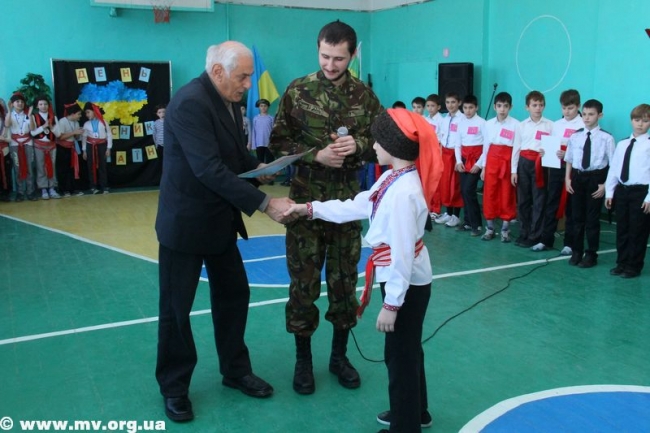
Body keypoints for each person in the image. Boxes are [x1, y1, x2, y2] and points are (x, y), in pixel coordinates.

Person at [155, 41, 295, 423]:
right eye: (243, 77)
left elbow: (231, 154)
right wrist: (265, 203)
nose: (249, 84)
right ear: (218, 71)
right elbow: (209, 169)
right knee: (176, 310)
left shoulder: (226, 100)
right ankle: (174, 387)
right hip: (185, 225)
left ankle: (235, 370)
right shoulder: (190, 103)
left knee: (234, 295)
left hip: (219, 221)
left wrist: (258, 167)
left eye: (249, 76)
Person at [283, 109, 441, 433]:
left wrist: (391, 304)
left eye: (378, 141)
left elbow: (401, 255)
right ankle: (416, 412)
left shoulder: (404, 192)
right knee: (408, 349)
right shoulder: (393, 178)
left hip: (405, 282)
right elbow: (357, 205)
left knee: (399, 355)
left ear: (393, 146)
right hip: (405, 278)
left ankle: (405, 427)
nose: (373, 146)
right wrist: (310, 209)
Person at [269, 20, 382, 396]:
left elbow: (381, 142)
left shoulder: (365, 97)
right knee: (303, 285)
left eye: (339, 58)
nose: (330, 65)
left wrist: (359, 147)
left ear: (352, 55)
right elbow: (277, 143)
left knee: (344, 283)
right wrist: (315, 155)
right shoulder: (298, 91)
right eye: (325, 56)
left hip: (346, 206)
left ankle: (339, 357)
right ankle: (303, 361)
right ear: (317, 49)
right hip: (305, 205)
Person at [531, 89, 585, 253]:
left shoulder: (583, 125)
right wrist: (545, 152)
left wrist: (567, 153)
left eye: (570, 108)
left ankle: (569, 243)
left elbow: (584, 151)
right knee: (551, 202)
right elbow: (551, 144)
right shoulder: (557, 124)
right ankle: (546, 239)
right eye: (564, 108)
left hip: (574, 170)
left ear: (578, 106)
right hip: (556, 167)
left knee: (571, 206)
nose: (567, 112)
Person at [564, 99, 615, 268]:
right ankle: (577, 251)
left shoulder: (607, 138)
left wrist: (605, 185)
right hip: (578, 178)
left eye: (591, 114)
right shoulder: (575, 136)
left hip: (596, 179)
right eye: (584, 114)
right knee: (576, 217)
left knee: (592, 220)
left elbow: (613, 165)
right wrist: (567, 179)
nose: (586, 118)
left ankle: (591, 254)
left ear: (600, 115)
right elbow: (569, 159)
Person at [604, 103, 650, 278]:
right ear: (631, 121)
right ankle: (621, 262)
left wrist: (649, 197)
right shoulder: (623, 143)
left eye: (645, 121)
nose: (640, 124)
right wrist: (610, 192)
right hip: (622, 191)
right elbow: (614, 169)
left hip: (641, 192)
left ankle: (634, 266)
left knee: (637, 231)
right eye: (637, 120)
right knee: (622, 229)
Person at [511, 91, 553, 247]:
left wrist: (547, 153)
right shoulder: (521, 125)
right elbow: (516, 148)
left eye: (541, 105)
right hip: (523, 163)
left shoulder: (550, 125)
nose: (538, 108)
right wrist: (513, 170)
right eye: (534, 105)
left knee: (539, 200)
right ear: (527, 107)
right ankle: (524, 232)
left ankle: (535, 235)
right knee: (523, 200)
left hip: (540, 164)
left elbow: (553, 149)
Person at [477, 92, 519, 242]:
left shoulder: (516, 125)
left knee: (506, 194)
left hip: (507, 162)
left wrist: (514, 170)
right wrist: (484, 167)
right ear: (494, 107)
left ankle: (505, 229)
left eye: (505, 106)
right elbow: (486, 147)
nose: (502, 109)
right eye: (499, 106)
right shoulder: (488, 124)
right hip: (492, 162)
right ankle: (489, 228)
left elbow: (516, 149)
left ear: (510, 107)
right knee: (490, 193)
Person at [455, 95, 486, 236]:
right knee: (463, 190)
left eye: (471, 108)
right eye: (465, 108)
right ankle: (467, 222)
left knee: (469, 190)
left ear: (476, 108)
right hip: (463, 160)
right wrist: (458, 161)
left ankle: (477, 224)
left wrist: (479, 164)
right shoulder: (460, 123)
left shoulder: (482, 123)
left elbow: (486, 146)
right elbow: (457, 144)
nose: (468, 111)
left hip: (476, 160)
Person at [434, 92, 464, 227]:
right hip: (445, 154)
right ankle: (448, 212)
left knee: (455, 185)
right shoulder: (445, 119)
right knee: (445, 184)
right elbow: (441, 136)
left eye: (453, 102)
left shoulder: (462, 119)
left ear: (459, 103)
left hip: (455, 155)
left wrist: (458, 159)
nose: (450, 105)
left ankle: (456, 216)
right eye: (448, 102)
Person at [5, 92, 36, 202]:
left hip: (28, 143)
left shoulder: (28, 114)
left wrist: (30, 115)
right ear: (12, 104)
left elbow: (32, 129)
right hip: (15, 144)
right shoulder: (10, 114)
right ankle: (20, 192)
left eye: (22, 102)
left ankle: (30, 191)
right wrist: (9, 111)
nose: (20, 103)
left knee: (29, 167)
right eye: (17, 101)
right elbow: (7, 124)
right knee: (17, 168)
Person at [54, 103, 85, 197]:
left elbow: (76, 138)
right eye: (79, 114)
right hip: (62, 148)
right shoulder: (62, 121)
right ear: (72, 113)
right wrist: (74, 132)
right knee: (63, 169)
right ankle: (64, 190)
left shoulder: (76, 123)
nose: (80, 116)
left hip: (72, 148)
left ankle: (73, 189)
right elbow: (60, 137)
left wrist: (78, 134)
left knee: (73, 169)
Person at [81, 102, 112, 194]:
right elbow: (84, 137)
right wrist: (84, 150)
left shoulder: (103, 122)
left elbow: (109, 135)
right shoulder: (86, 124)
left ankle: (104, 186)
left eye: (88, 112)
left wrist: (108, 148)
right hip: (90, 146)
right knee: (91, 166)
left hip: (102, 145)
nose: (87, 115)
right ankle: (93, 186)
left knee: (102, 165)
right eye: (86, 113)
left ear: (94, 111)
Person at [424, 94, 444, 221]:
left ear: (439, 107)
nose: (430, 108)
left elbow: (441, 138)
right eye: (428, 106)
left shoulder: (441, 120)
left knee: (435, 181)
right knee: (427, 180)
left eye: (433, 106)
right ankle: (428, 207)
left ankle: (436, 208)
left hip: (436, 151)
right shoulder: (425, 120)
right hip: (426, 152)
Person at [251, 98, 274, 164]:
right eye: (261, 106)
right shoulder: (256, 118)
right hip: (259, 143)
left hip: (269, 143)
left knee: (270, 161)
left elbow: (273, 132)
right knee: (260, 161)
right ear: (259, 107)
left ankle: (270, 171)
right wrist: (253, 145)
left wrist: (273, 143)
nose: (263, 108)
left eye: (265, 106)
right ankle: (262, 171)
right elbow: (254, 132)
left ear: (268, 107)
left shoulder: (271, 118)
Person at [0, 100, 12, 202]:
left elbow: (9, 139)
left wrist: (3, 139)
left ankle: (6, 193)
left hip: (5, 150)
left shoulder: (5, 122)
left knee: (7, 172)